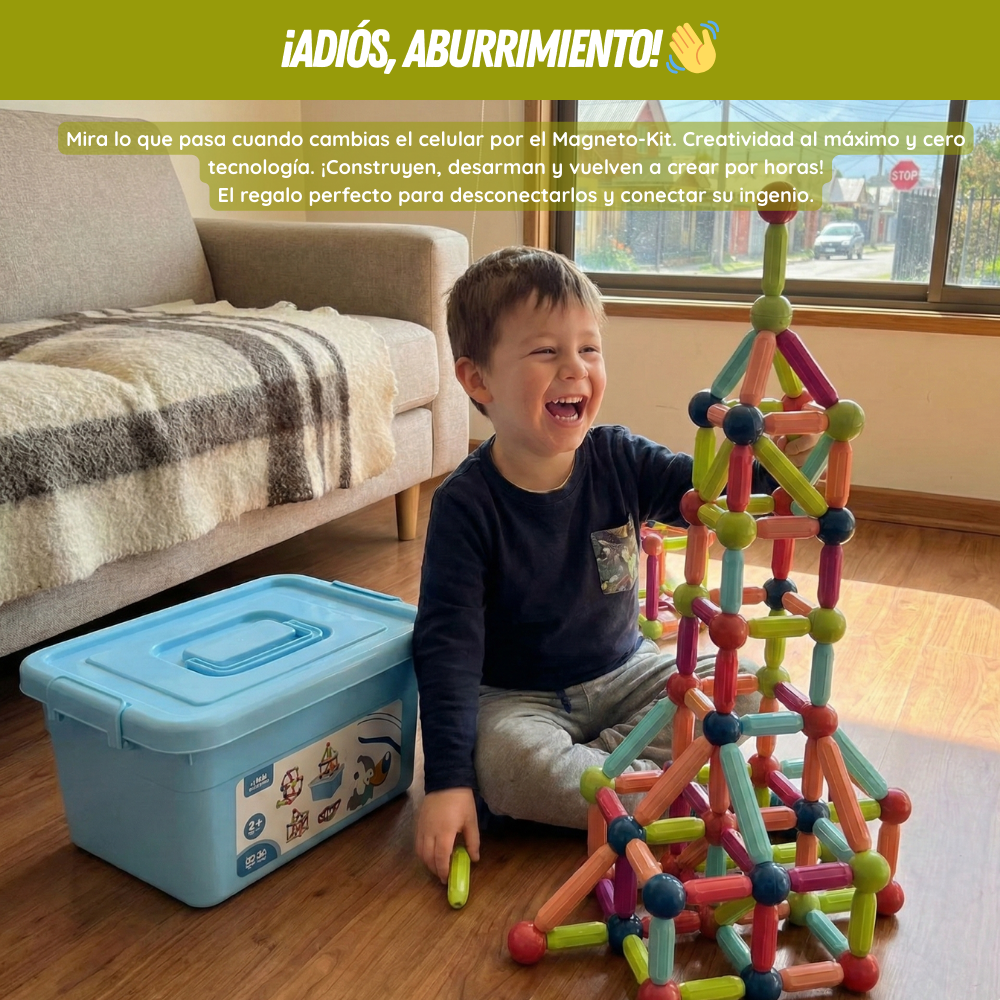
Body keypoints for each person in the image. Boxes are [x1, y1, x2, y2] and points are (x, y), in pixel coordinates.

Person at [413, 246, 814, 883]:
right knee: (506, 766)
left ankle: (618, 778)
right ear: (478, 381)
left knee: (738, 687)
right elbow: (446, 647)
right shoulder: (464, 506)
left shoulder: (618, 456)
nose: (575, 367)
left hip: (627, 674)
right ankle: (656, 786)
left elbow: (706, 495)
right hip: (520, 699)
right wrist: (447, 784)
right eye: (546, 351)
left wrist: (772, 459)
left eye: (589, 349)